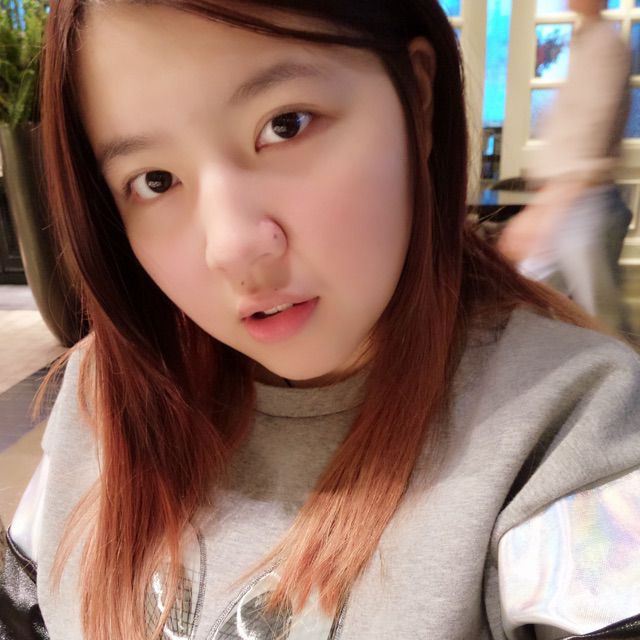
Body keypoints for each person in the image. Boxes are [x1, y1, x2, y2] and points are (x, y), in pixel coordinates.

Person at [1, 1, 639, 639]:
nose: (232, 247)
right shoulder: (104, 395)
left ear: (417, 98)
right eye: (155, 180)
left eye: (285, 125)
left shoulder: (571, 431)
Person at [499, 0, 633, 333]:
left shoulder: (605, 47)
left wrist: (541, 211)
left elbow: (590, 135)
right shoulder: (584, 41)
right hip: (568, 202)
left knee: (601, 317)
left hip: (584, 203)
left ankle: (621, 365)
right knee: (531, 297)